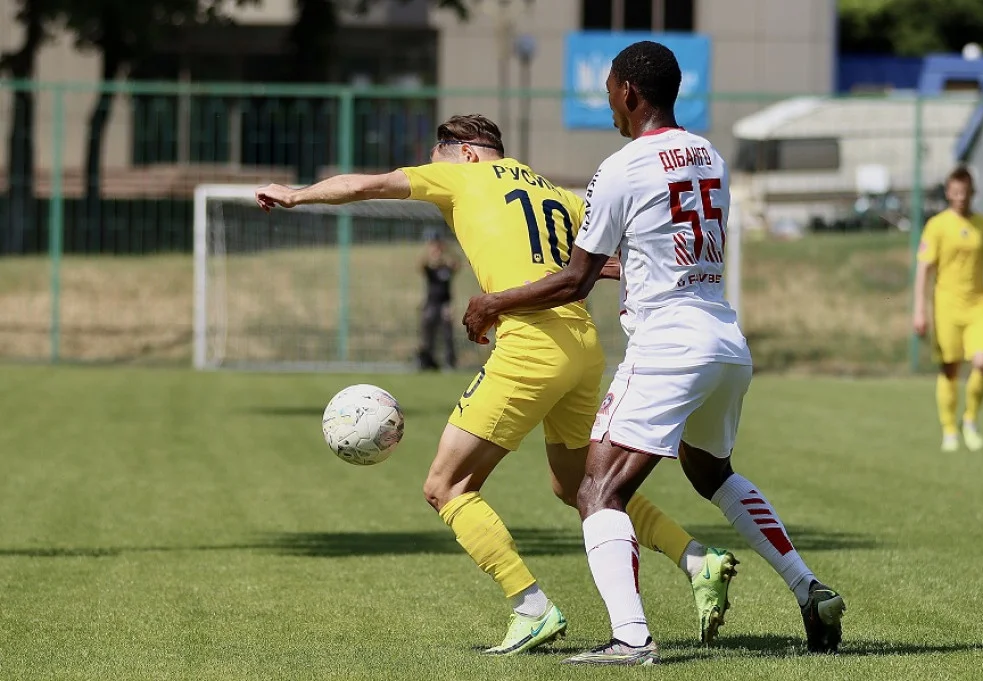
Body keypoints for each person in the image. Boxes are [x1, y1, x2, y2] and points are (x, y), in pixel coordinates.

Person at [255, 114, 737, 656]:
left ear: (463, 153)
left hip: (531, 347)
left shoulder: (462, 175)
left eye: (435, 161)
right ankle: (697, 558)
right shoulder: (551, 190)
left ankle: (531, 608)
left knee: (446, 486)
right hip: (582, 347)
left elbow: (365, 185)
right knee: (578, 484)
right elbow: (601, 261)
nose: (432, 173)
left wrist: (296, 195)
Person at [463, 41, 845, 666]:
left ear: (629, 92)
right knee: (711, 472)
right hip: (724, 338)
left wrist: (493, 303)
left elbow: (575, 280)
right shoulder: (710, 155)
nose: (610, 106)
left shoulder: (621, 167)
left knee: (596, 489)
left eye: (611, 92)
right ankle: (808, 587)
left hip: (668, 343)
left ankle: (631, 638)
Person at [913, 167, 983, 452]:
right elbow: (924, 268)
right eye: (955, 192)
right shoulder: (937, 226)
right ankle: (949, 430)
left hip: (978, 305)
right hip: (946, 307)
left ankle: (970, 419)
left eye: (964, 192)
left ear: (972, 192)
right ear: (947, 193)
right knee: (950, 368)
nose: (960, 197)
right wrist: (919, 309)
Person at [417, 229, 459, 371]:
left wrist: (446, 252)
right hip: (431, 303)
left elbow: (457, 264)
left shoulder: (447, 266)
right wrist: (431, 254)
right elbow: (420, 265)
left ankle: (450, 362)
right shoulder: (430, 267)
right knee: (427, 333)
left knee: (447, 334)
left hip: (445, 304)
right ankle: (427, 360)